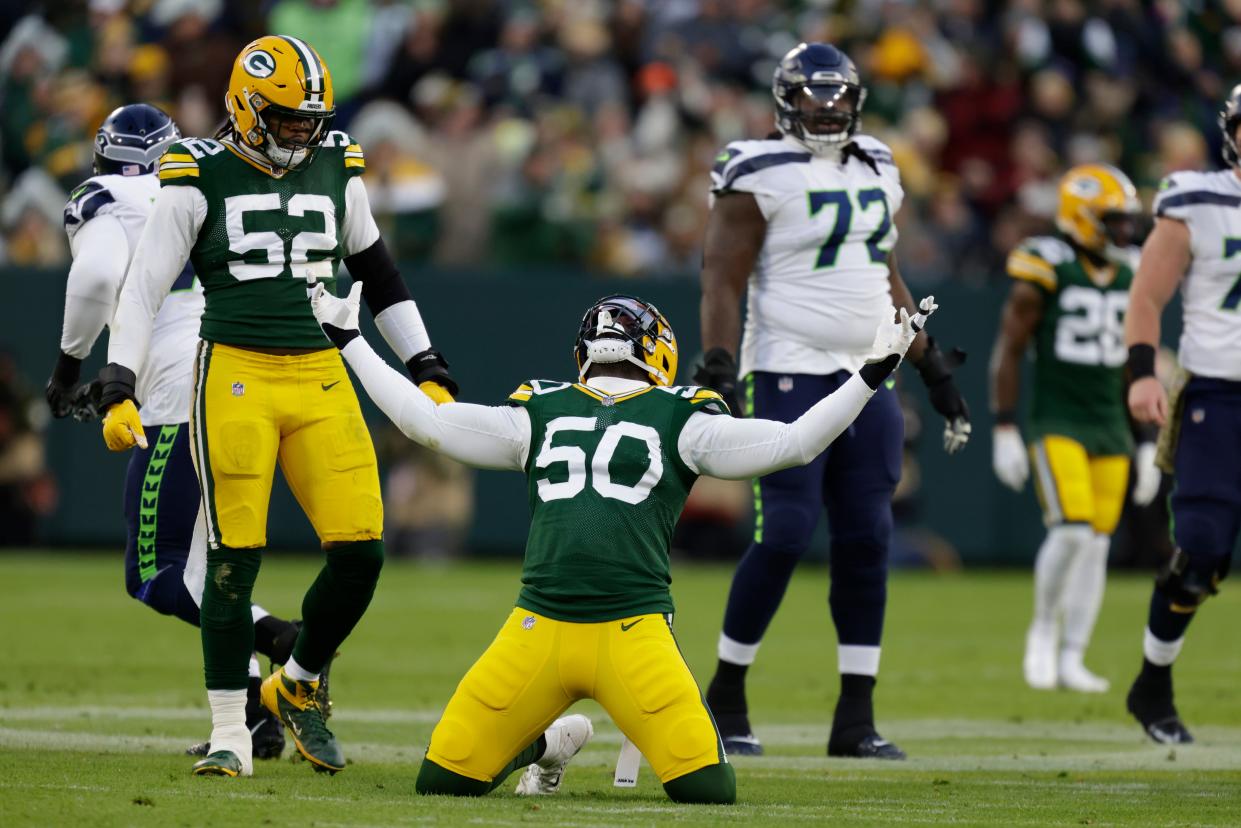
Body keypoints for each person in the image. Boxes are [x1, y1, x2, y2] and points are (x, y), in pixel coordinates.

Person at [309, 288, 937, 803]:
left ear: (584, 351)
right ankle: (545, 743)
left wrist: (350, 338)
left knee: (705, 788)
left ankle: (536, 740)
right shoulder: (679, 415)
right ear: (658, 350)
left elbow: (424, 422)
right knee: (444, 781)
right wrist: (873, 372)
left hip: (601, 630)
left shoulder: (543, 410)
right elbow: (795, 443)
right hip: (566, 630)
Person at [96, 37, 456, 778]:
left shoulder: (337, 163)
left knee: (361, 554)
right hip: (234, 372)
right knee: (232, 562)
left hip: (322, 373)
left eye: (310, 118)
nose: (302, 131)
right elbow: (142, 287)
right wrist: (117, 381)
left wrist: (425, 362)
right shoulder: (197, 174)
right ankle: (230, 731)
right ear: (246, 105)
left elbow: (379, 275)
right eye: (287, 117)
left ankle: (295, 685)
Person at [692, 42, 970, 759]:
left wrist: (929, 363)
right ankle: (724, 697)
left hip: (868, 373)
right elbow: (721, 276)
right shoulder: (753, 167)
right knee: (784, 531)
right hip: (785, 366)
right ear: (786, 99)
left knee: (867, 539)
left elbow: (883, 275)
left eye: (837, 94)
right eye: (812, 95)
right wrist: (719, 368)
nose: (827, 107)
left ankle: (855, 718)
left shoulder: (879, 160)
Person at [46, 102, 300, 759]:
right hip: (244, 373)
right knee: (209, 565)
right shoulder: (196, 185)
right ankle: (254, 719)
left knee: (155, 576)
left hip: (176, 391)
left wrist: (69, 367)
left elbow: (100, 274)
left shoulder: (101, 195)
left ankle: (286, 642)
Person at [989, 164, 1162, 693]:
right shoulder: (1047, 262)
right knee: (1070, 529)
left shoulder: (1134, 269)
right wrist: (1004, 428)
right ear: (1082, 219)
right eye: (1113, 221)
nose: (1125, 231)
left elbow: (1142, 359)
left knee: (1097, 544)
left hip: (1111, 422)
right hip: (1057, 417)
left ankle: (1072, 655)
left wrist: (1150, 439)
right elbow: (1010, 349)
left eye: (1127, 221)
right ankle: (1041, 633)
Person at [1122, 86, 1241, 744]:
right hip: (1217, 395)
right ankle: (1152, 683)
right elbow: (1145, 294)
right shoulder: (1195, 199)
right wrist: (1142, 373)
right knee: (1197, 552)